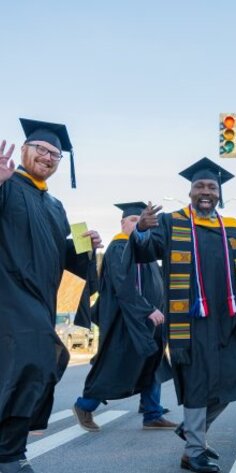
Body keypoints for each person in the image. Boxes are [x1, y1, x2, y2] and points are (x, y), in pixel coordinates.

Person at [130, 158, 236, 473]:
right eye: (199, 186)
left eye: (211, 187)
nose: (206, 192)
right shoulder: (172, 223)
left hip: (228, 322)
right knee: (197, 384)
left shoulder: (231, 227)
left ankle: (193, 429)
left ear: (219, 193)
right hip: (188, 324)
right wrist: (140, 230)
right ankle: (194, 451)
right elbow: (145, 250)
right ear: (190, 192)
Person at [0, 120, 101, 473]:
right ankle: (9, 455)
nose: (47, 157)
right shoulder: (7, 186)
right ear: (23, 149)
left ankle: (10, 450)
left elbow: (62, 257)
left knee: (39, 367)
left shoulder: (55, 206)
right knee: (29, 363)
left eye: (54, 154)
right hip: (8, 296)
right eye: (40, 149)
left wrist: (84, 247)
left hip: (40, 301)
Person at [73, 202, 176, 432]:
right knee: (115, 366)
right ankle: (84, 405)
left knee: (153, 364)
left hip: (151, 320)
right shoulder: (119, 247)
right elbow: (123, 285)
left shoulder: (146, 248)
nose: (138, 223)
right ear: (122, 223)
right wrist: (147, 309)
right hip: (126, 320)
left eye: (142, 220)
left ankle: (152, 413)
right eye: (133, 220)